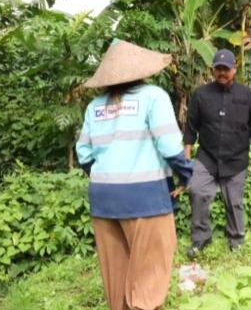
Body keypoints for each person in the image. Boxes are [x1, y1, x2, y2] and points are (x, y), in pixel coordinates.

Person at [75, 38, 193, 310]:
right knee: (150, 271)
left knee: (117, 274)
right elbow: (169, 146)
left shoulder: (95, 106)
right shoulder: (154, 97)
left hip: (104, 199)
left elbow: (84, 153)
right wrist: (187, 176)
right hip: (146, 198)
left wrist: (107, 178)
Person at [184, 49, 251, 257]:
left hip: (236, 158)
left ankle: (236, 240)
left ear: (234, 69)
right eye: (218, 69)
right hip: (207, 157)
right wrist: (186, 154)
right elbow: (191, 126)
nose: (222, 73)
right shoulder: (201, 94)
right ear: (213, 69)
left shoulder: (247, 95)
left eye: (226, 69)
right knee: (198, 191)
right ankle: (201, 238)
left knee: (234, 201)